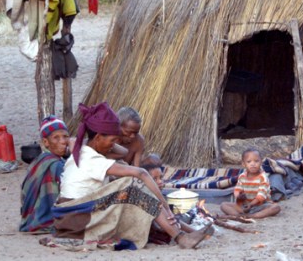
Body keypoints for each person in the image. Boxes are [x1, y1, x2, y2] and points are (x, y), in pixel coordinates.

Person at [46, 102, 210, 250]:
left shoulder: (84, 151)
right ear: (97, 137)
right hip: (77, 220)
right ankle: (181, 237)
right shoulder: (92, 159)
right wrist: (166, 206)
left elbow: (124, 152)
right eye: (111, 141)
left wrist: (109, 138)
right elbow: (140, 172)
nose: (113, 145)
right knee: (133, 183)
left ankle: (181, 232)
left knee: (129, 182)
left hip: (74, 215)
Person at [20, 116, 69, 233]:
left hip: (29, 218)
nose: (62, 141)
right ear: (46, 142)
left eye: (65, 137)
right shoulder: (55, 164)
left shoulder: (40, 160)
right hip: (45, 221)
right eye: (56, 138)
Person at [220, 148, 281, 219]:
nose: (253, 164)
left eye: (256, 161)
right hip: (245, 206)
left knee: (276, 207)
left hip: (261, 205)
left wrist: (251, 204)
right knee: (223, 205)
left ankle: (252, 216)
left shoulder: (263, 177)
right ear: (243, 164)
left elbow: (261, 196)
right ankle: (239, 216)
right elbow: (237, 189)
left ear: (261, 162)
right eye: (249, 162)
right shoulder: (242, 176)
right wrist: (239, 196)